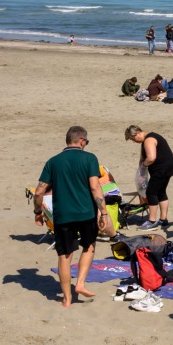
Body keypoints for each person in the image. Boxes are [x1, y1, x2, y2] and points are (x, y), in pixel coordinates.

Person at [33, 126, 111, 307]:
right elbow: (95, 187)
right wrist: (104, 212)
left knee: (64, 256)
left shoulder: (53, 161)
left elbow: (39, 192)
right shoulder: (89, 158)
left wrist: (38, 213)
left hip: (63, 215)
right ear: (82, 140)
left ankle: (66, 299)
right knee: (89, 247)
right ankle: (81, 283)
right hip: (86, 213)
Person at [125, 125, 173, 230]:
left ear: (137, 133)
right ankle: (163, 220)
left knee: (151, 192)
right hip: (169, 166)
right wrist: (141, 171)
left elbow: (151, 158)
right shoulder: (150, 137)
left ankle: (152, 221)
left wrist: (144, 165)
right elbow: (143, 158)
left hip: (162, 168)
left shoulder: (148, 140)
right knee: (161, 192)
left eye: (133, 139)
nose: (134, 142)